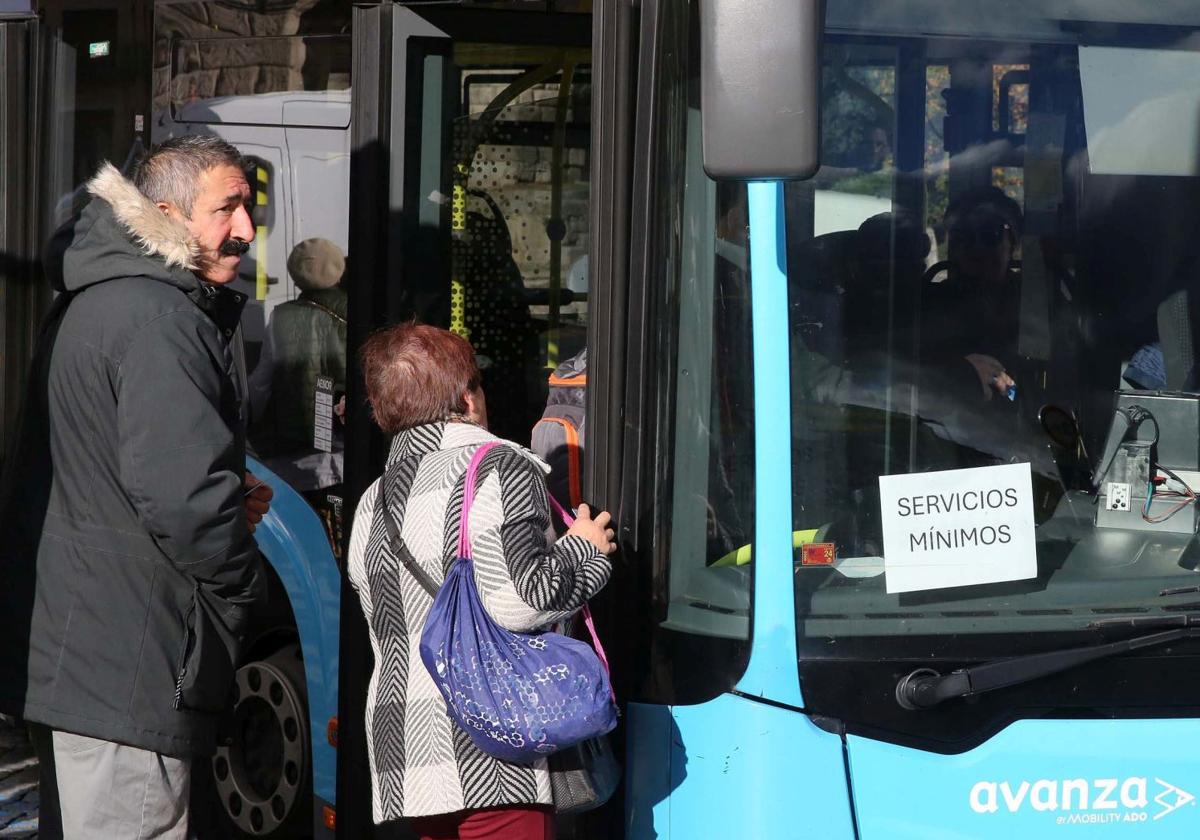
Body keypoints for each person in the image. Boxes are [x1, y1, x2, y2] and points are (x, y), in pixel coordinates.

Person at [0, 134, 272, 839]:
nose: (246, 228)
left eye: (250, 207)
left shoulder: (108, 299)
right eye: (228, 208)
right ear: (165, 214)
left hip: (91, 656)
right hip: (127, 659)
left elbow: (125, 480)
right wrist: (244, 587)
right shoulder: (159, 318)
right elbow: (184, 504)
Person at [348, 323, 616, 840]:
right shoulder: (498, 467)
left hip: (405, 752)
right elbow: (524, 601)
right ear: (468, 397)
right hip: (492, 751)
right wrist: (588, 548)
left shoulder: (372, 500)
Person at [248, 236, 348, 489]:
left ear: (295, 274)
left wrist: (248, 422)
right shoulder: (359, 308)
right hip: (348, 445)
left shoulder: (282, 315)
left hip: (300, 449)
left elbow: (261, 382)